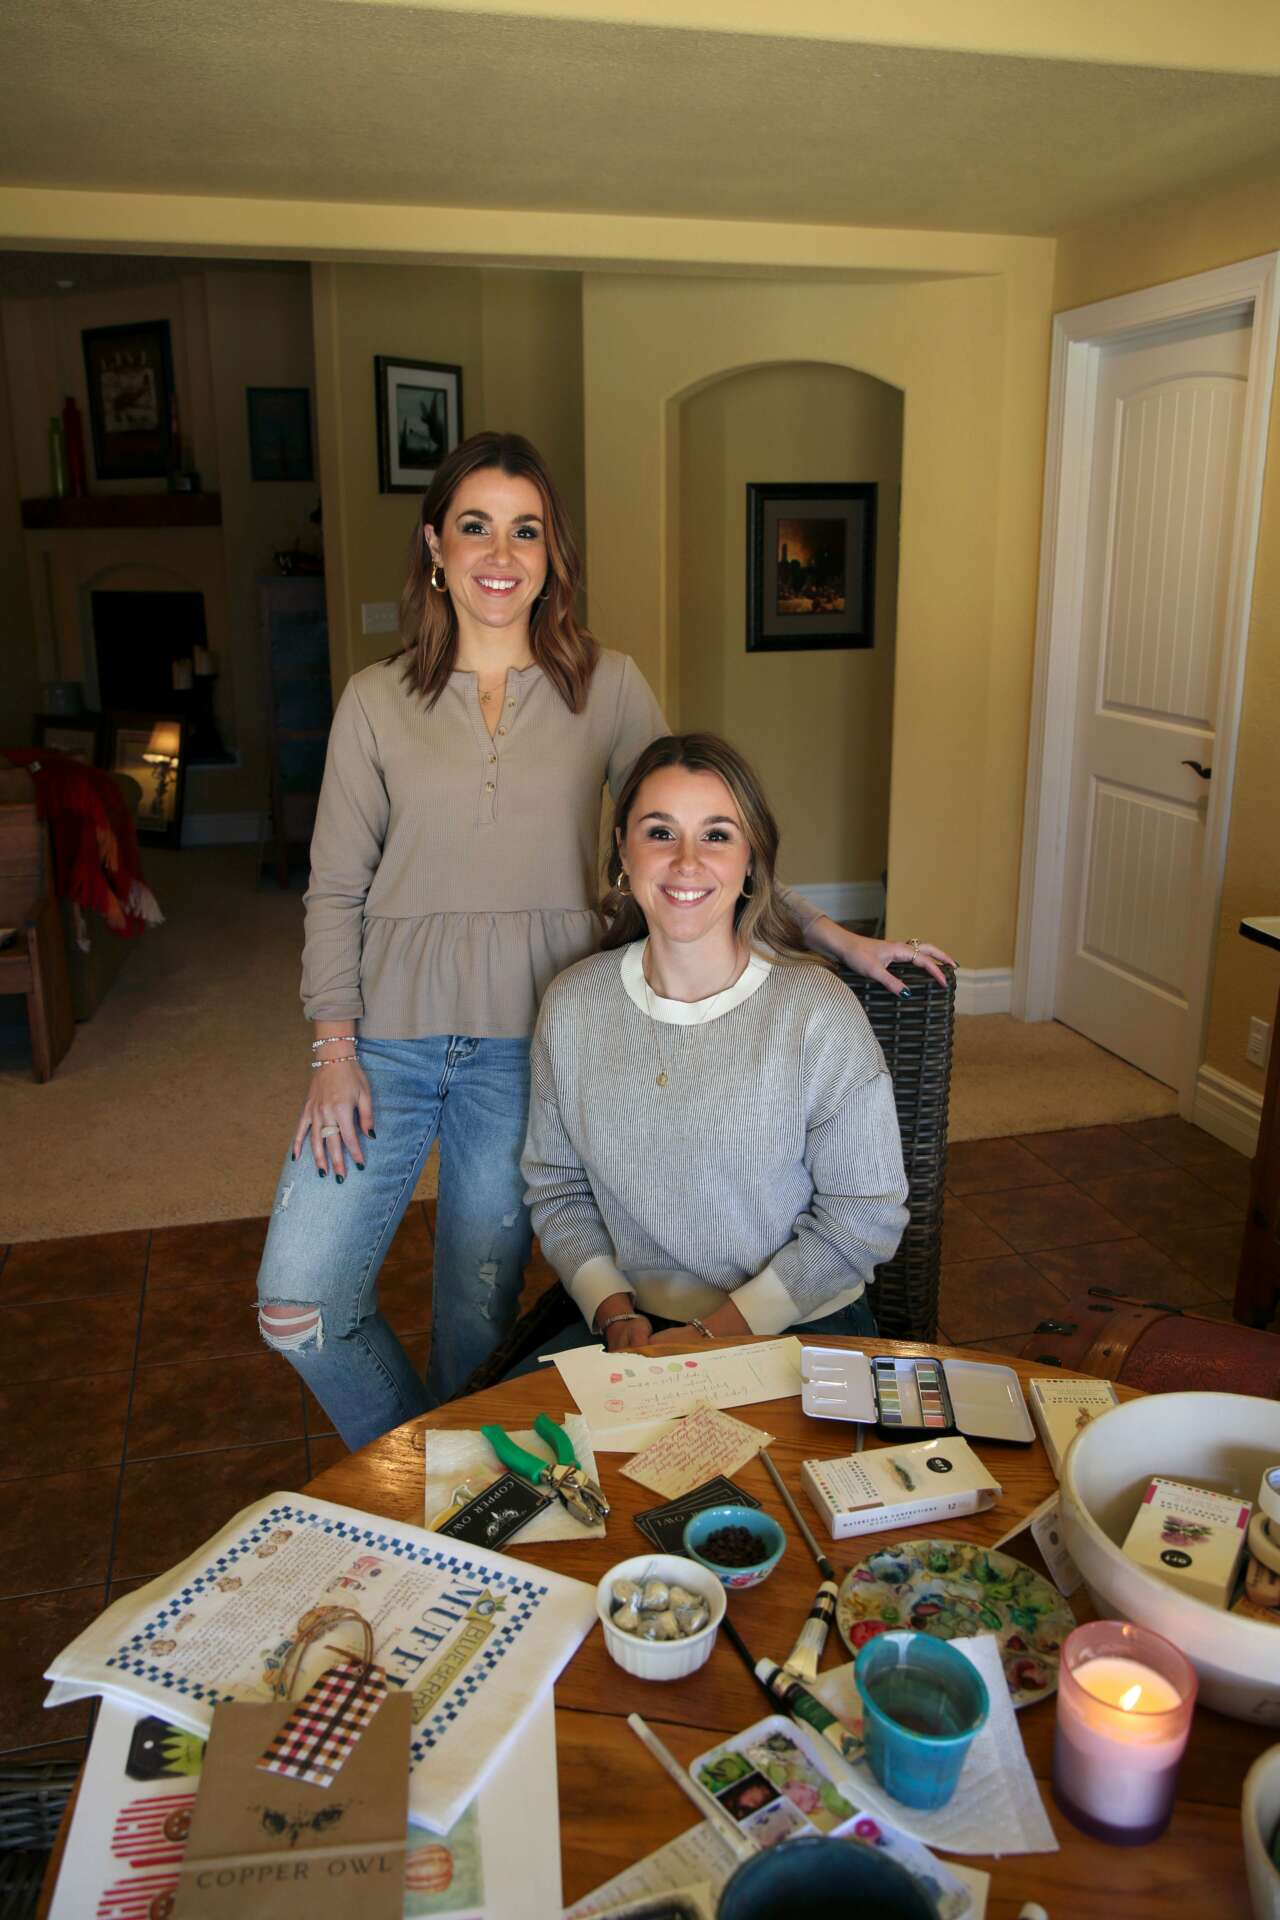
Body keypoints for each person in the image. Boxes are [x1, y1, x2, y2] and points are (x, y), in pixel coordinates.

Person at [256, 431, 950, 1449]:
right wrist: (332, 1050)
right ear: (435, 547)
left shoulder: (608, 686)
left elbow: (695, 834)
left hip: (527, 1044)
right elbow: (334, 888)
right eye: (476, 527)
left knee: (473, 1328)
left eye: (526, 531)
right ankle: (432, 1471)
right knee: (298, 1302)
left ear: (552, 556)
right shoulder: (374, 698)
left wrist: (828, 934)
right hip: (383, 1044)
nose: (501, 554)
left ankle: (461, 1499)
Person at [520, 733, 911, 1356]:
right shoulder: (572, 1004)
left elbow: (866, 1213)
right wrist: (614, 1312)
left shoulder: (817, 1012)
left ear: (751, 859)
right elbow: (558, 1186)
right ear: (623, 848)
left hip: (797, 1327)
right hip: (631, 1329)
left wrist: (714, 1334)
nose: (686, 862)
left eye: (717, 835)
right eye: (660, 832)